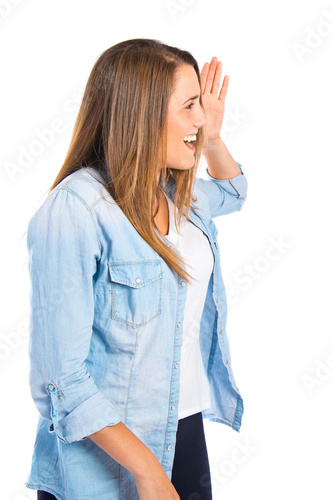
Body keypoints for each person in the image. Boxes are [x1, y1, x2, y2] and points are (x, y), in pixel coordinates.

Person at [24, 38, 248, 500]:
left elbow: (235, 191)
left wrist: (213, 140)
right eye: (189, 106)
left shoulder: (178, 196)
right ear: (141, 114)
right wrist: (146, 471)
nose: (200, 118)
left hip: (184, 430)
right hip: (107, 458)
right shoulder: (76, 211)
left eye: (200, 106)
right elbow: (59, 381)